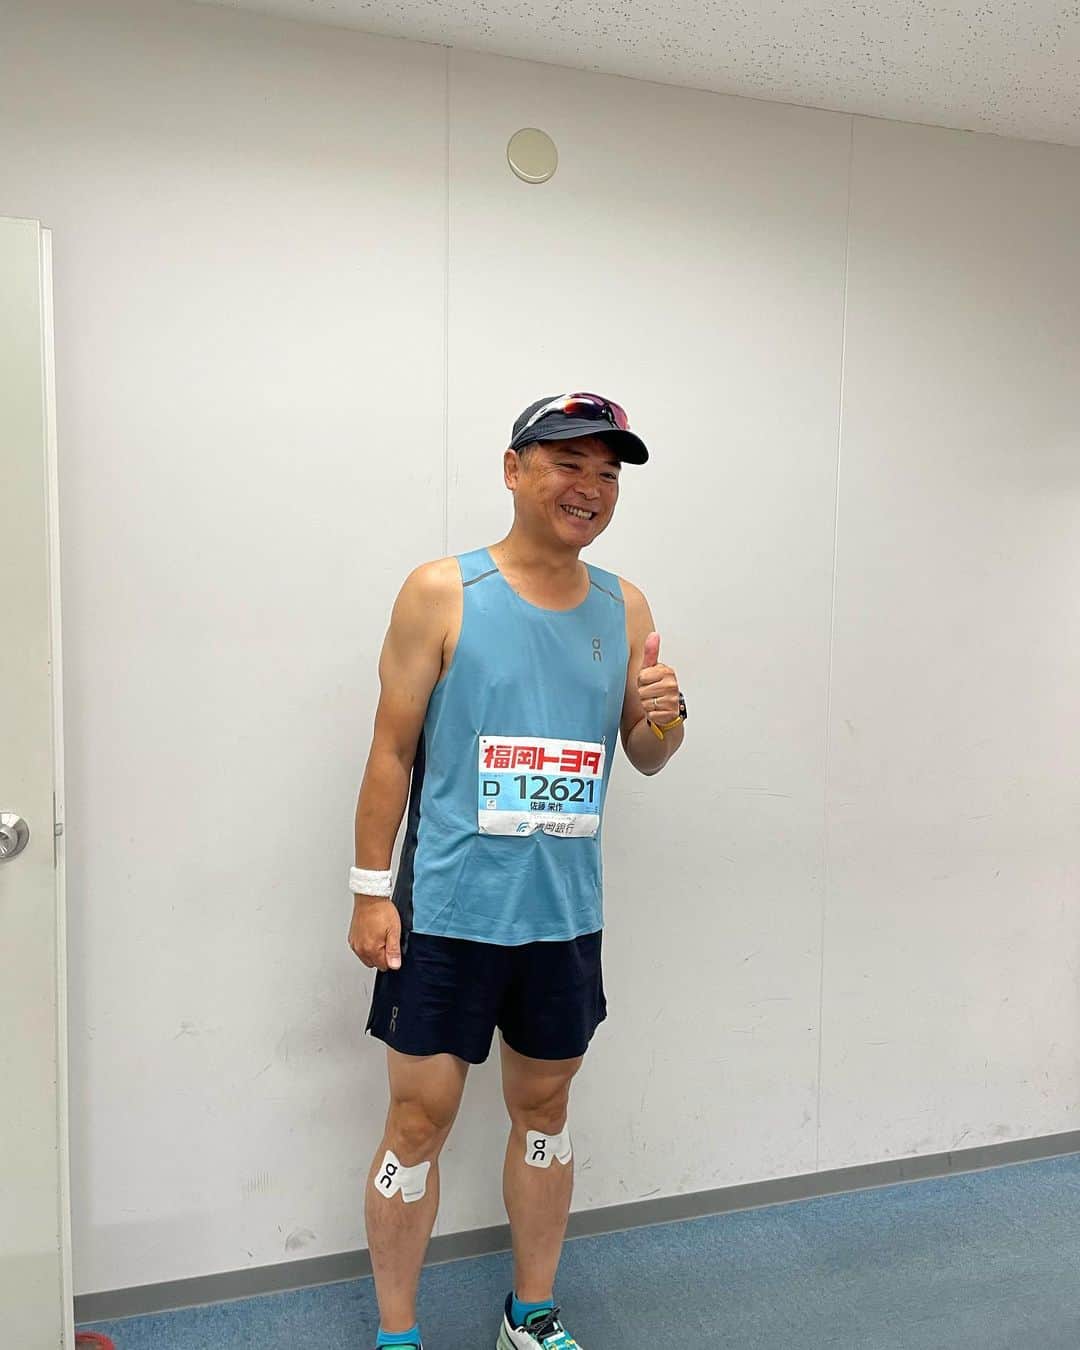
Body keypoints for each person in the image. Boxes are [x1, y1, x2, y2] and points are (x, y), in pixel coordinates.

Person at [348, 392, 686, 1350]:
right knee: (418, 1124)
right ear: (514, 469)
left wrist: (666, 714)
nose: (591, 488)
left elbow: (647, 753)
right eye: (569, 464)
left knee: (545, 1111)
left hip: (563, 918)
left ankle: (530, 1316)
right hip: (448, 914)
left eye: (608, 474)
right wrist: (370, 892)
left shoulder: (625, 606)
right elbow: (389, 751)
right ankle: (398, 1336)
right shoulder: (441, 591)